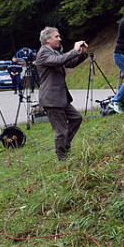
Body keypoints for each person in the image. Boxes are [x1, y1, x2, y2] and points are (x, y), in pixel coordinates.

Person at [34, 27, 88, 160]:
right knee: (61, 130)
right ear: (47, 39)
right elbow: (59, 61)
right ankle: (62, 156)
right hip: (51, 98)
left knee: (76, 118)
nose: (60, 39)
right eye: (56, 37)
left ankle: (65, 146)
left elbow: (69, 63)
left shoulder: (54, 52)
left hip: (60, 97)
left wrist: (82, 54)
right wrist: (74, 50)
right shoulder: (43, 53)